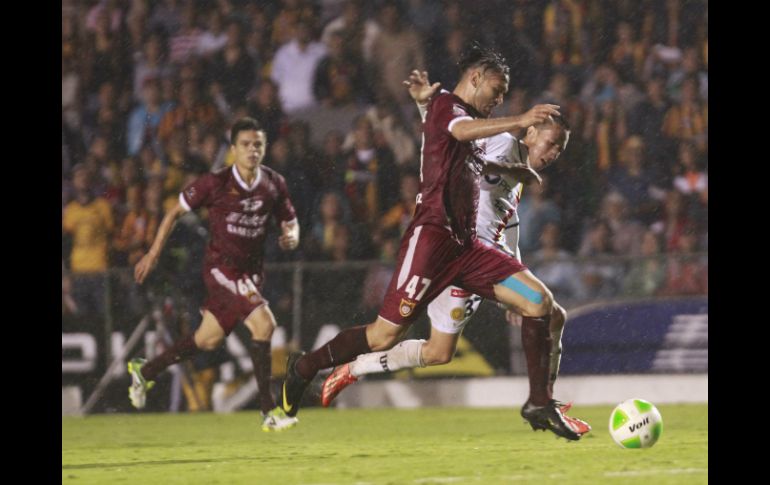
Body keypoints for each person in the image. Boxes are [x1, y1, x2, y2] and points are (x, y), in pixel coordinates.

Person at [280, 43, 584, 440]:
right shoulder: (450, 106)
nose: (500, 99)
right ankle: (304, 368)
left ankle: (540, 402)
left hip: (469, 249)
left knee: (540, 304)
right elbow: (456, 130)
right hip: (432, 240)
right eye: (498, 89)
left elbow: (452, 151)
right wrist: (517, 121)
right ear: (476, 78)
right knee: (383, 336)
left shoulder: (463, 119)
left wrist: (510, 172)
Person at [128, 117, 300, 432]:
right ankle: (268, 411)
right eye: (246, 144)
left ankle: (145, 371)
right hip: (221, 268)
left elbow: (290, 220)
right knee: (265, 324)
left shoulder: (274, 183)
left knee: (206, 340)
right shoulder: (215, 183)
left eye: (258, 144)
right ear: (233, 149)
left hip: (250, 274)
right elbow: (174, 212)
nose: (252, 150)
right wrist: (153, 254)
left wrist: (292, 236)